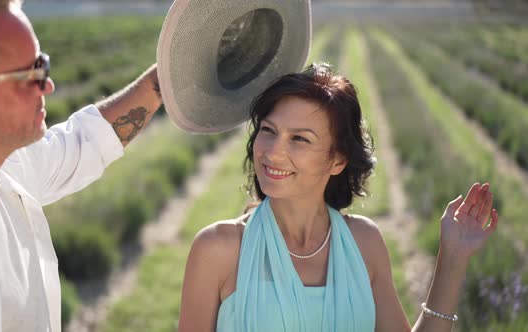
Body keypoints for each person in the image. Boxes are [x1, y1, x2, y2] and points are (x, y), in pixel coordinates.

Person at [178, 63, 499, 331]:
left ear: (337, 160)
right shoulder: (217, 249)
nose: (273, 152)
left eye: (299, 139)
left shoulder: (364, 242)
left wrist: (453, 258)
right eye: (268, 130)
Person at [0, 0, 162, 331]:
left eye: (42, 65)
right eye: (28, 76)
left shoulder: (6, 169)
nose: (48, 85)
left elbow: (84, 141)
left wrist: (166, 80)